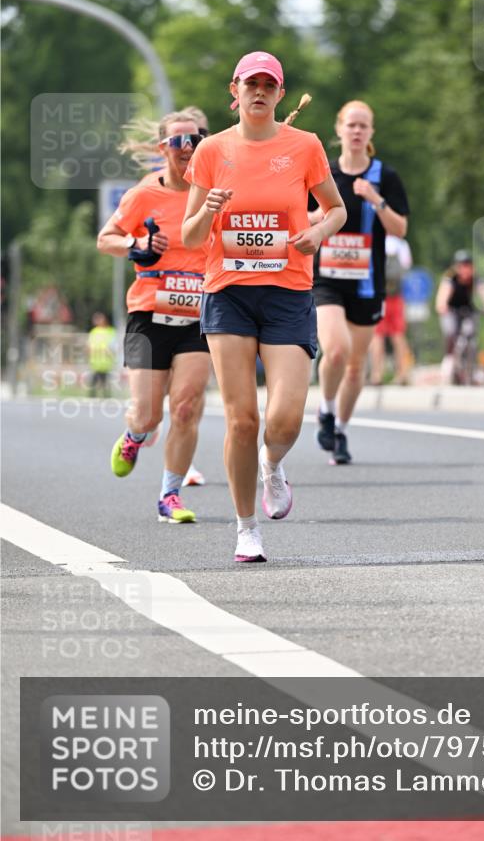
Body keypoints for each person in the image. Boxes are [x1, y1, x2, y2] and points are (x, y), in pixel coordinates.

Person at [182, 51, 346, 563]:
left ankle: (272, 464)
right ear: (235, 90)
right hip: (228, 293)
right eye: (250, 84)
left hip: (288, 292)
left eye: (268, 85)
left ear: (280, 94)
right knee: (242, 420)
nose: (259, 92)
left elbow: (336, 209)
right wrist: (208, 211)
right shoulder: (211, 150)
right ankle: (246, 528)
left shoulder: (305, 145)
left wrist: (318, 233)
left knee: (285, 420)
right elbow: (190, 237)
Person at [97, 111, 211, 523]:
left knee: (186, 407)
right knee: (148, 414)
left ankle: (170, 495)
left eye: (195, 139)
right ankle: (135, 435)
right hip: (149, 313)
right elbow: (105, 238)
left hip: (199, 315)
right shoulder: (144, 194)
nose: (187, 148)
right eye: (178, 141)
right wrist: (137, 244)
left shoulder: (213, 194)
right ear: (163, 148)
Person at [311, 100, 410, 464]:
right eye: (350, 124)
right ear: (339, 129)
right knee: (335, 350)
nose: (356, 131)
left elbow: (400, 229)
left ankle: (340, 430)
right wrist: (318, 216)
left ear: (371, 133)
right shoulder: (322, 173)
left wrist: (375, 199)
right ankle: (325, 409)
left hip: (367, 282)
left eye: (363, 125)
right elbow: (300, 217)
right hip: (327, 279)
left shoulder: (385, 176)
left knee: (355, 366)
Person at [435, 250, 484, 384]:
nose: (466, 270)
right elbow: (443, 296)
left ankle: (472, 368)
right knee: (451, 332)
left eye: (468, 266)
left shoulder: (476, 279)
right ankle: (449, 359)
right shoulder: (450, 279)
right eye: (463, 266)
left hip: (468, 310)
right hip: (451, 311)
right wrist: (442, 305)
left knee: (471, 334)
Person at [368, 235, 414, 385]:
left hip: (378, 296)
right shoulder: (401, 244)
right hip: (396, 296)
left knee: (377, 336)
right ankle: (402, 374)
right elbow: (406, 267)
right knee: (398, 335)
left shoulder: (373, 239)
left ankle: (377, 375)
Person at [87, 311, 117, 398]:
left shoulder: (111, 331)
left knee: (105, 382)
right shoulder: (94, 331)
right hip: (95, 361)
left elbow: (114, 345)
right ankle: (92, 397)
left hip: (106, 362)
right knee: (93, 382)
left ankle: (106, 397)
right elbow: (89, 345)